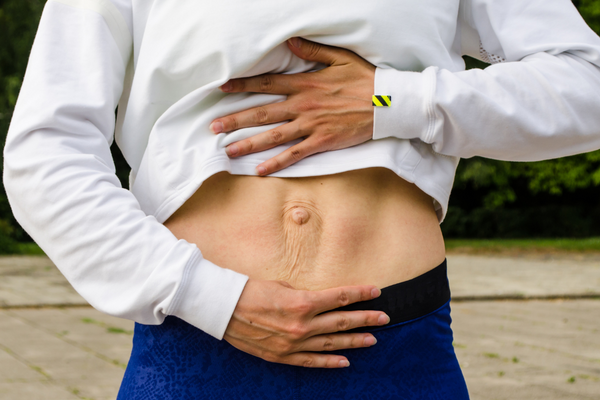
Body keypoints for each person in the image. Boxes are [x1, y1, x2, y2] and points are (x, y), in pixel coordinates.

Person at [4, 0, 600, 398]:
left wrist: (388, 101)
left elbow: (585, 83)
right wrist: (209, 297)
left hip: (394, 348)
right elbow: (45, 150)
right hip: (200, 341)